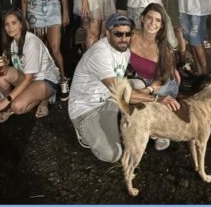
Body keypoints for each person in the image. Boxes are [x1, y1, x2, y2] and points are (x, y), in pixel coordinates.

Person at [69, 13, 179, 163]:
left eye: (128, 34)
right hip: (87, 109)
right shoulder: (100, 54)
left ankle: (146, 127)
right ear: (107, 33)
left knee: (139, 85)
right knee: (113, 155)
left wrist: (170, 69)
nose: (124, 38)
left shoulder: (124, 51)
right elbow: (123, 93)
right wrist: (157, 98)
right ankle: (84, 131)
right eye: (118, 34)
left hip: (108, 98)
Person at [16, 0, 70, 100]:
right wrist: (24, 18)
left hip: (53, 6)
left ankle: (62, 78)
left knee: (54, 47)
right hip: (35, 8)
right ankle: (43, 80)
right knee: (39, 47)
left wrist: (65, 12)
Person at [127, 3, 182, 151]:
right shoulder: (131, 36)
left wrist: (149, 90)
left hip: (162, 83)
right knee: (126, 91)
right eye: (150, 18)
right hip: (141, 78)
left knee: (156, 100)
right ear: (142, 18)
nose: (153, 23)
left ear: (162, 25)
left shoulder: (164, 48)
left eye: (158, 20)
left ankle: (162, 132)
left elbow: (163, 78)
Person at [0, 10, 59, 122]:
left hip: (45, 80)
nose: (10, 27)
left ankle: (44, 98)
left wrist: (6, 100)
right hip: (29, 80)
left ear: (21, 24)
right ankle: (13, 103)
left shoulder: (31, 43)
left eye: (14, 23)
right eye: (7, 24)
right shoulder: (12, 42)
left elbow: (28, 79)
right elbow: (5, 60)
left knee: (17, 107)